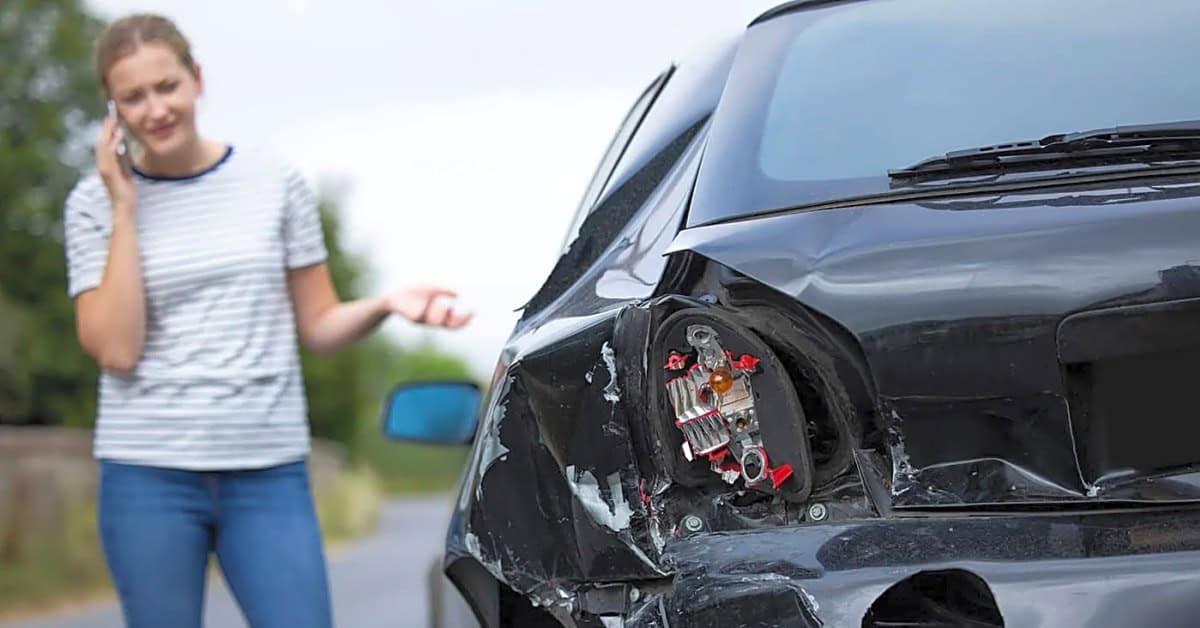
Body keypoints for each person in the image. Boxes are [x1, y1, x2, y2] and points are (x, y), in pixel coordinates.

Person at [62, 13, 471, 628]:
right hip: (148, 474)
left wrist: (385, 305)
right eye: (134, 97)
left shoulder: (272, 182)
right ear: (112, 109)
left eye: (167, 86)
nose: (156, 109)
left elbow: (320, 323)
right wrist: (124, 208)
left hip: (266, 470)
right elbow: (117, 349)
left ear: (197, 79)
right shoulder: (92, 204)